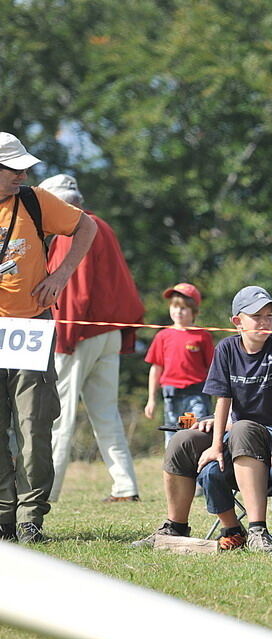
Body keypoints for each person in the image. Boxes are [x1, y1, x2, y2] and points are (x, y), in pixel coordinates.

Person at [131, 305, 272, 551]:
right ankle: (179, 527)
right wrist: (215, 422)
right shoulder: (255, 362)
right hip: (241, 443)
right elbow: (232, 410)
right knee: (185, 442)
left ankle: (260, 530)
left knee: (245, 435)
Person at [0, 133, 97, 543]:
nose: (23, 174)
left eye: (25, 168)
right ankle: (3, 515)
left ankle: (30, 518)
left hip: (31, 326)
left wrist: (60, 276)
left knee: (34, 424)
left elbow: (86, 226)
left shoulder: (36, 200)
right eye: (14, 168)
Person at [38, 174, 144, 504]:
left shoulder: (73, 230)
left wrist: (64, 339)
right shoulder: (102, 226)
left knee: (58, 415)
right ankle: (125, 486)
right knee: (106, 413)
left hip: (78, 333)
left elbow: (74, 291)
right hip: (107, 331)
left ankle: (47, 491)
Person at [197, 286, 272, 554]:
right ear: (237, 322)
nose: (265, 322)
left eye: (269, 315)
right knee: (210, 471)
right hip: (242, 431)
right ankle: (234, 530)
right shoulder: (225, 349)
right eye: (257, 316)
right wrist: (215, 446)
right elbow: (222, 400)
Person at [143, 283, 214, 443]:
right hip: (172, 395)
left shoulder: (202, 336)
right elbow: (156, 368)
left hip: (196, 395)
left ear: (194, 311)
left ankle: (195, 465)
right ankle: (173, 466)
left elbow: (212, 368)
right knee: (173, 434)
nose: (178, 312)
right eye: (174, 307)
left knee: (193, 433)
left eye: (183, 308)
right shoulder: (163, 336)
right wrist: (151, 399)